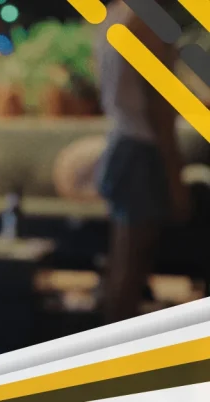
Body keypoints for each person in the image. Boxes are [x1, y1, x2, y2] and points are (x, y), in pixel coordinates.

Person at [94, 0, 192, 324]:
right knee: (130, 271)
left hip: (122, 142)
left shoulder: (114, 15)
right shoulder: (148, 22)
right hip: (142, 151)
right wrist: (175, 178)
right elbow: (158, 106)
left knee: (122, 266)